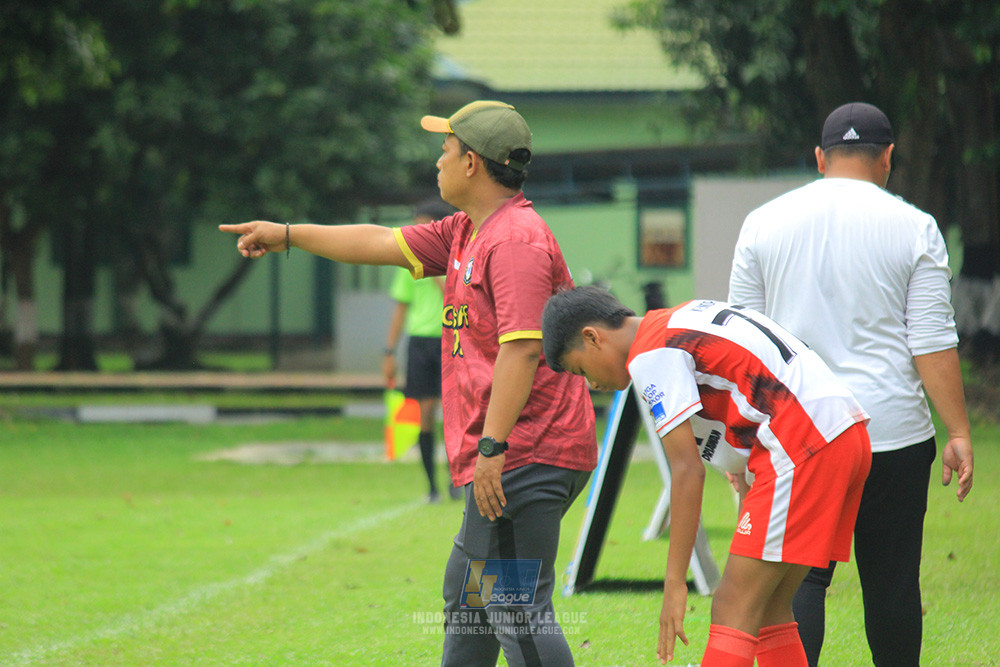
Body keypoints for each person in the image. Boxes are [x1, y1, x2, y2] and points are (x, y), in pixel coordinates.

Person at [220, 100, 597, 667]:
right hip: (511, 454)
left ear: (471, 162)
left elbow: (521, 351)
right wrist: (289, 234)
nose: (437, 161)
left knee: (517, 610)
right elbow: (379, 241)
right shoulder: (468, 230)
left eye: (445, 149)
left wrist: (493, 449)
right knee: (469, 607)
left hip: (523, 453)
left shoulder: (515, 239)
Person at [728, 101, 974, 666]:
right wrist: (958, 429)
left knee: (800, 582)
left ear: (820, 157)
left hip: (802, 435)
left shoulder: (763, 223)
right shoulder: (915, 227)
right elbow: (931, 340)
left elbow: (746, 345)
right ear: (888, 157)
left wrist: (742, 448)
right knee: (892, 582)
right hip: (893, 433)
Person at [541, 286, 872, 667]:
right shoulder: (678, 318)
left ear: (592, 337)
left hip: (803, 444)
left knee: (732, 602)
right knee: (769, 609)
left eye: (581, 370)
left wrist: (674, 582)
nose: (591, 385)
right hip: (846, 432)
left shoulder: (649, 354)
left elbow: (685, 472)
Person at [382, 199, 458, 503]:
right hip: (420, 343)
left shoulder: (457, 259)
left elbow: (455, 294)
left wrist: (438, 270)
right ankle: (431, 487)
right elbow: (401, 308)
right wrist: (389, 351)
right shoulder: (409, 263)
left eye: (424, 227)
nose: (417, 233)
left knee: (454, 415)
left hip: (451, 340)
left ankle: (457, 481)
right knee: (425, 413)